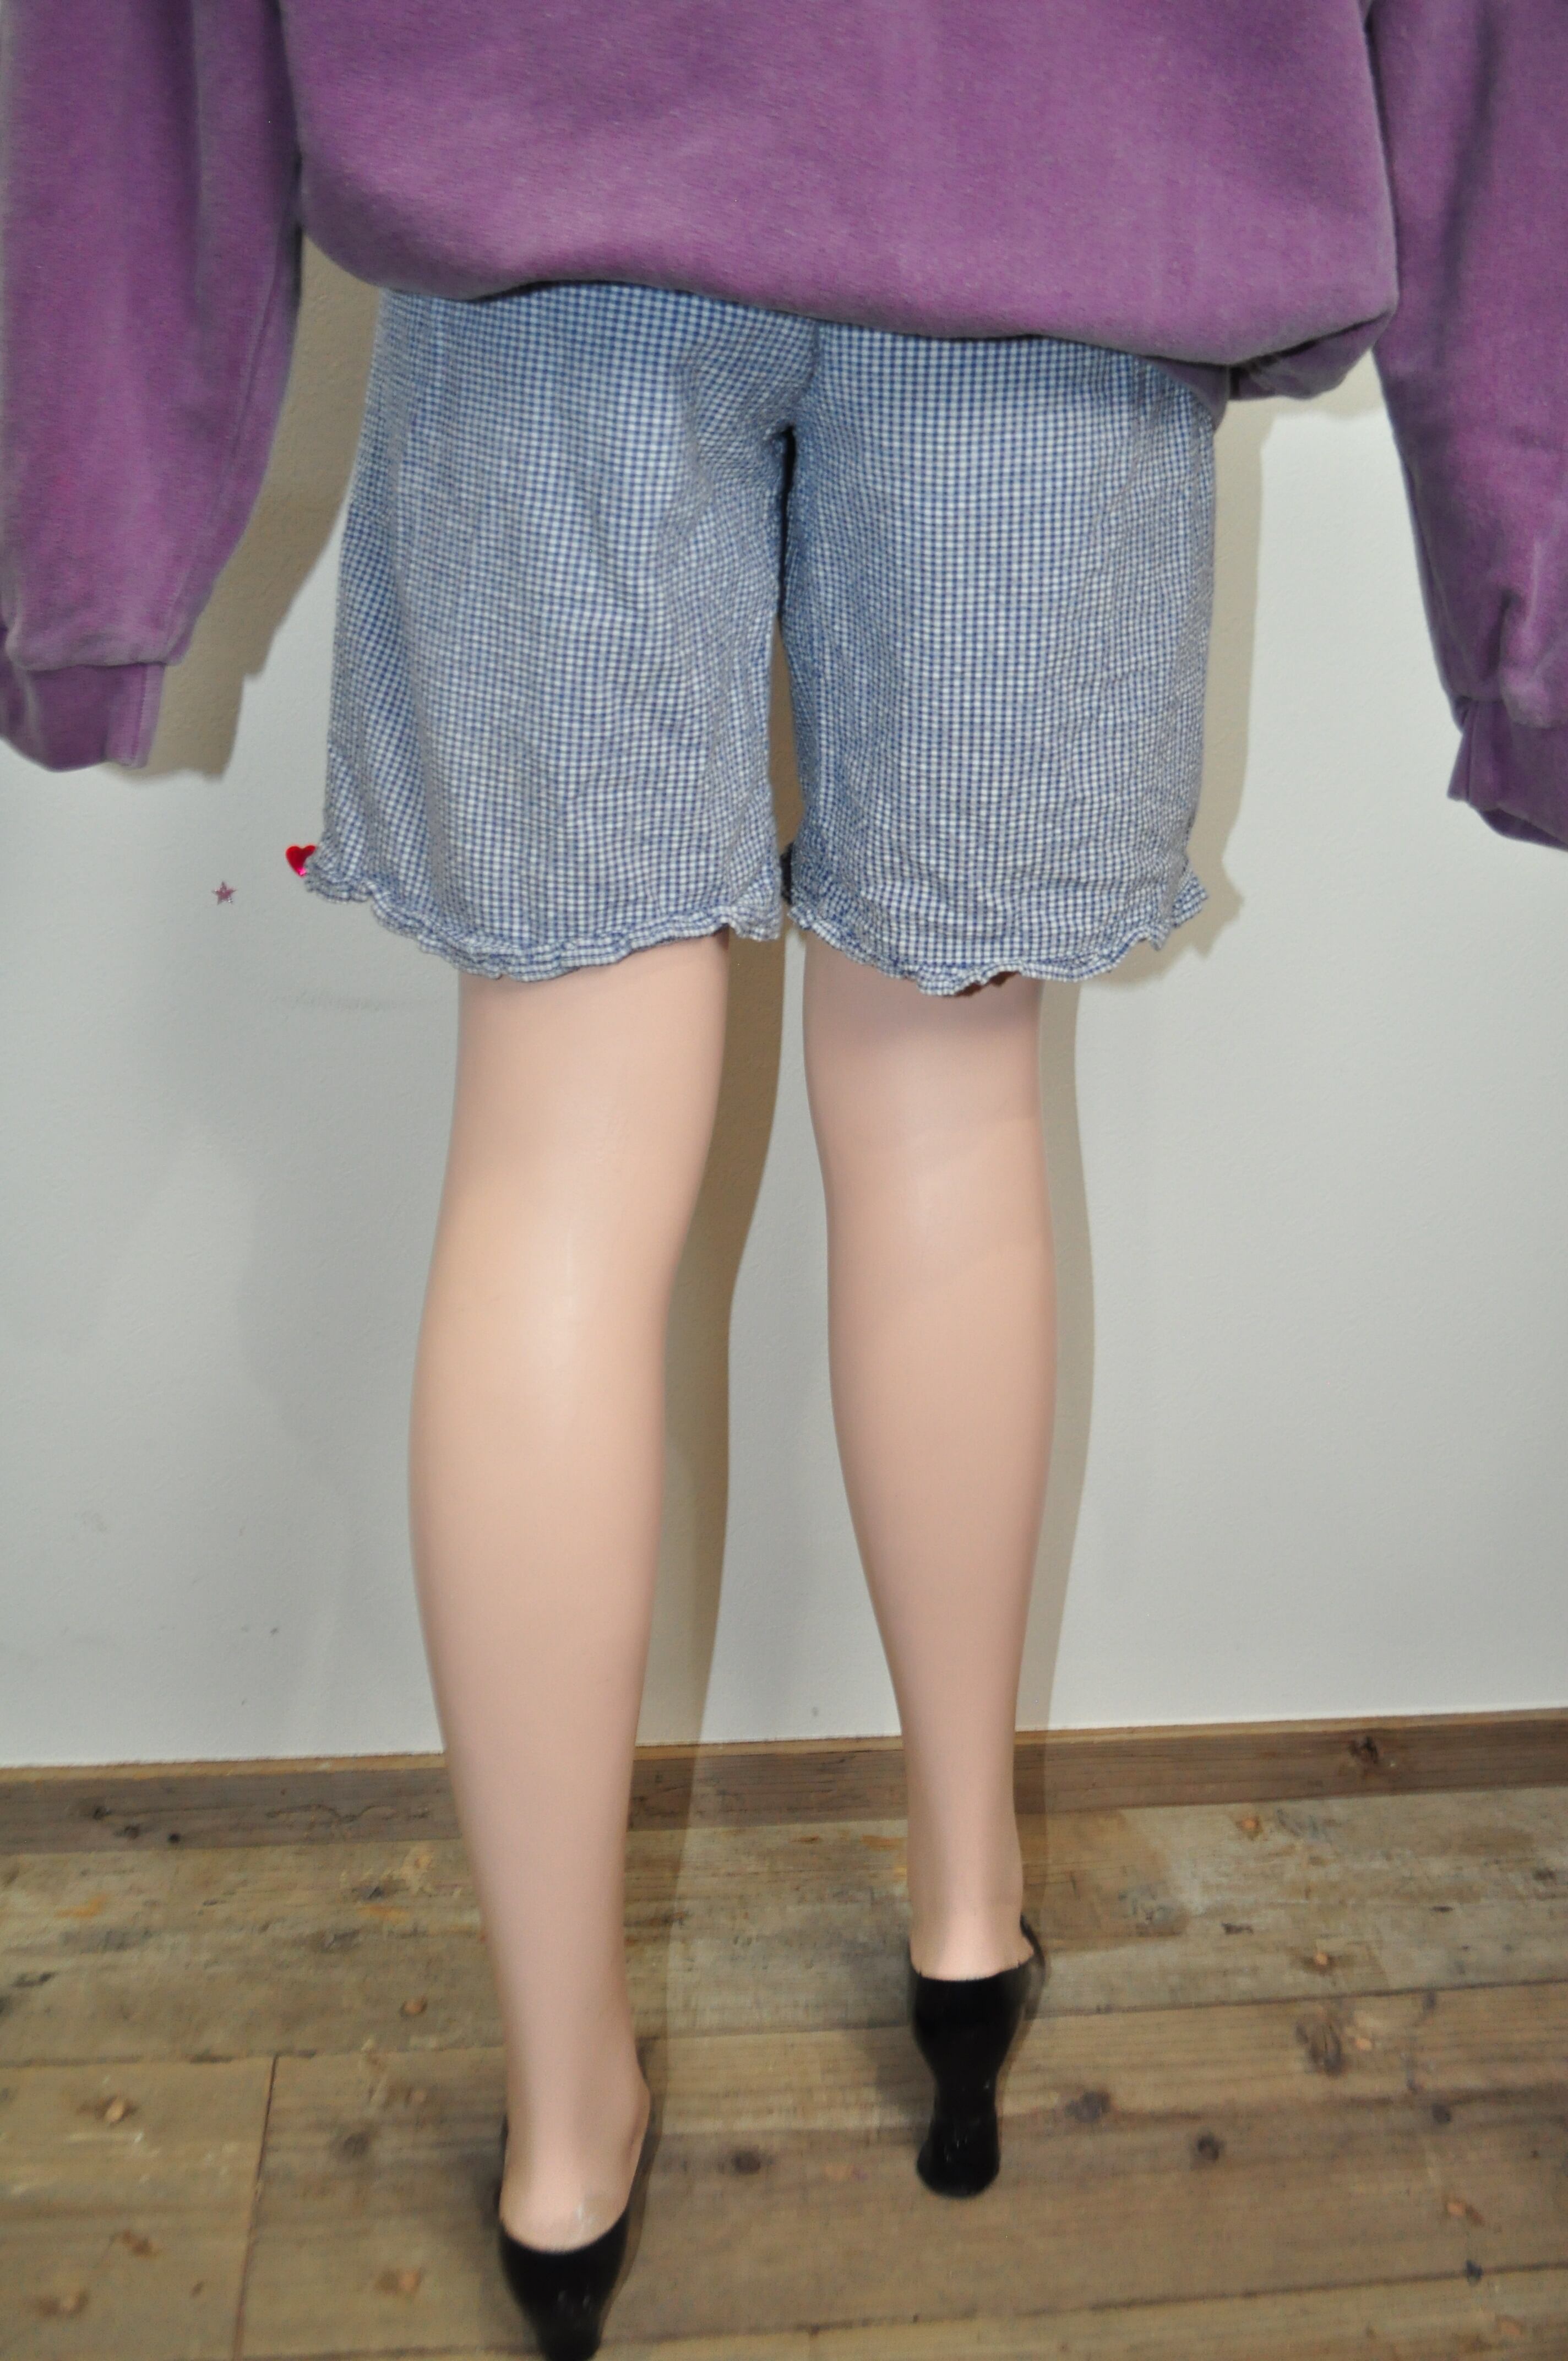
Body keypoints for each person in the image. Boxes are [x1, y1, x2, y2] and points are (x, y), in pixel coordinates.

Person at [3, 10, 1564, 2354]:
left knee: (551, 1170)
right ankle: (963, 1922)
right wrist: (1528, 590)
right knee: (949, 1115)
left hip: (547, 199)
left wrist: (88, 533)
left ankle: (562, 2132)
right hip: (1069, 188)